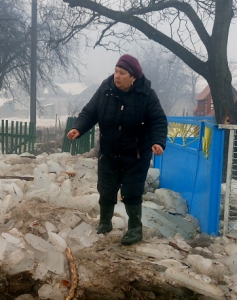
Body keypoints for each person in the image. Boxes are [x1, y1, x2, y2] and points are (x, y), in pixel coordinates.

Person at [67, 54, 168, 245]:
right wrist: (78, 127)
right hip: (109, 151)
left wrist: (158, 142)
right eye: (115, 71)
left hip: (135, 154)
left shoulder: (146, 95)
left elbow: (158, 120)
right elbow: (90, 111)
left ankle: (135, 229)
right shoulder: (106, 89)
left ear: (133, 77)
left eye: (122, 73)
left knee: (131, 191)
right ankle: (105, 223)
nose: (117, 76)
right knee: (106, 188)